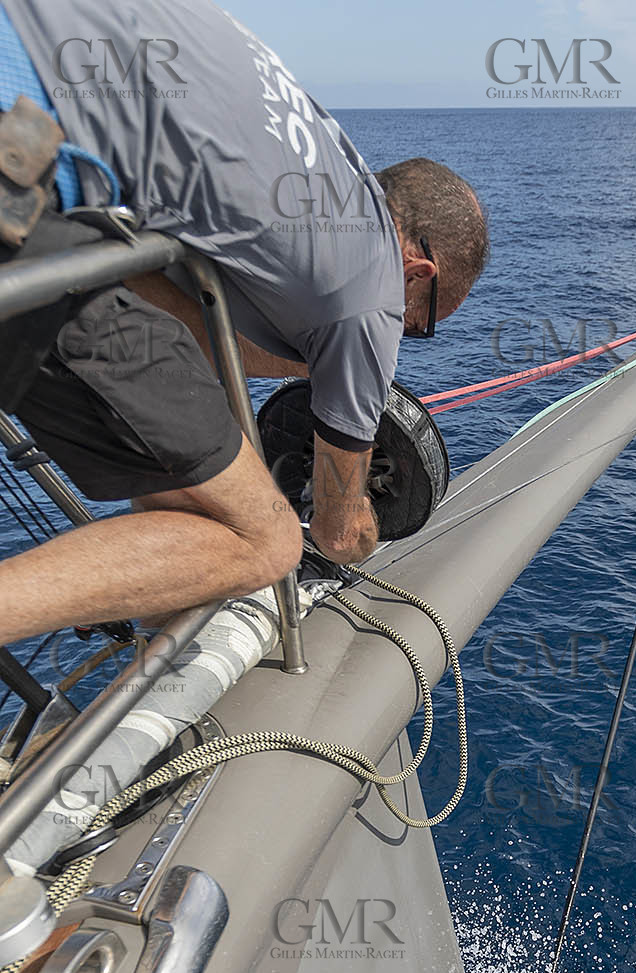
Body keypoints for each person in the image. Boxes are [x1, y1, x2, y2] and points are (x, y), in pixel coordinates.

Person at [0, 0, 488, 650]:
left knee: (183, 495)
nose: (395, 339)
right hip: (17, 168)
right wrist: (368, 527)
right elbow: (338, 535)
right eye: (415, 328)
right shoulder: (369, 290)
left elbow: (179, 319)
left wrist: (308, 362)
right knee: (267, 540)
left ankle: (147, 685)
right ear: (418, 272)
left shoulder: (314, 153)